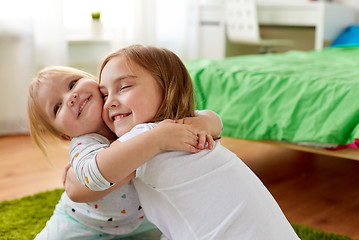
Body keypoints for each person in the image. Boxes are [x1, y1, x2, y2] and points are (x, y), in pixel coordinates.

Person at [67, 45, 300, 240]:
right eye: (105, 94)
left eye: (125, 87)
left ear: (168, 89)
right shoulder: (184, 129)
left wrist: (78, 165)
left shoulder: (148, 137)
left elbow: (93, 177)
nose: (110, 103)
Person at [27, 66, 222, 239]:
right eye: (57, 107)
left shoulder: (129, 113)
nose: (70, 97)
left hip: (144, 222)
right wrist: (157, 140)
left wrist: (199, 124)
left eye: (72, 84)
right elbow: (95, 174)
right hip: (83, 226)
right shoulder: (83, 145)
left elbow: (212, 120)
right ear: (65, 136)